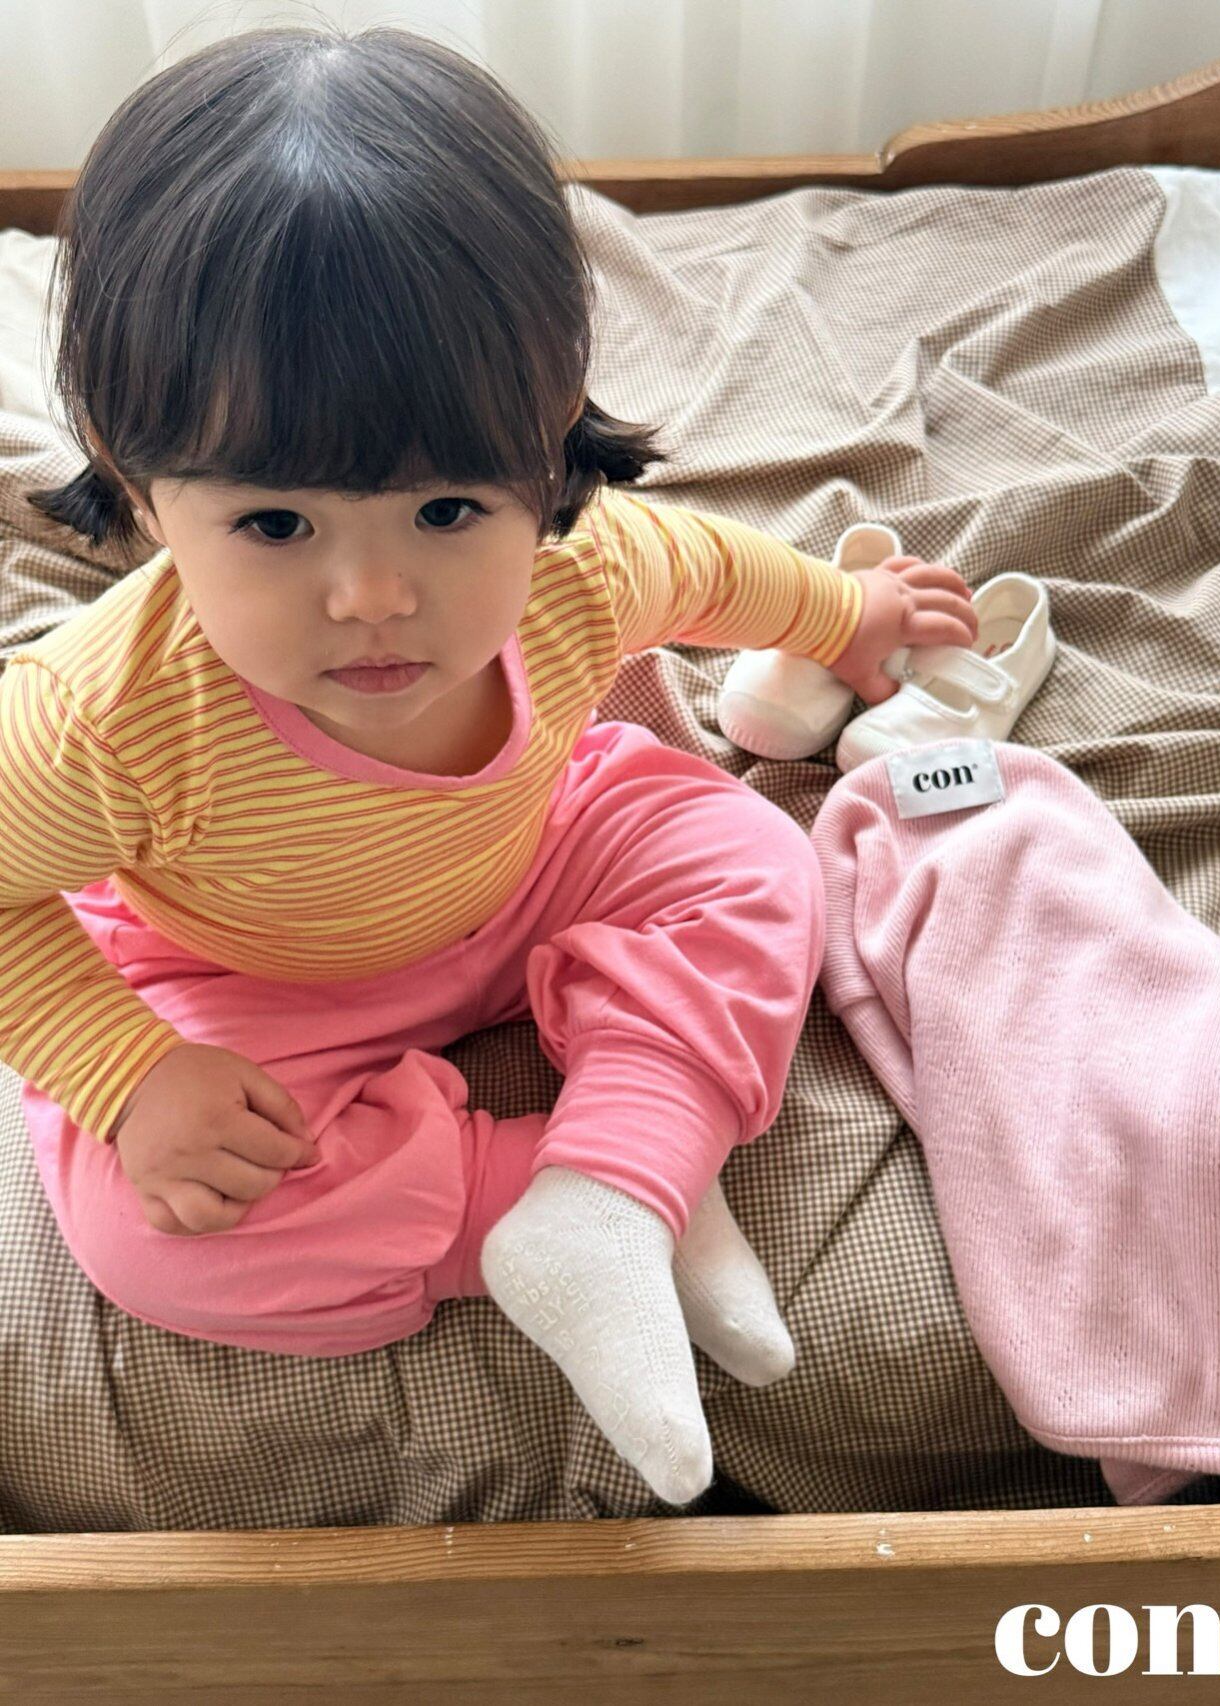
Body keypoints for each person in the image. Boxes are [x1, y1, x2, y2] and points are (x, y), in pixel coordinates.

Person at [2, 25, 977, 1505]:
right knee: (157, 1236)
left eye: (450, 509)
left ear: (548, 438)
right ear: (137, 485)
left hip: (531, 862)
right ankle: (580, 1197)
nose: (374, 597)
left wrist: (846, 617)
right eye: (276, 526)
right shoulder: (100, 724)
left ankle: (614, 1183)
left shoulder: (579, 564)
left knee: (754, 854)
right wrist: (127, 1074)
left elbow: (717, 571)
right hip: (253, 971)